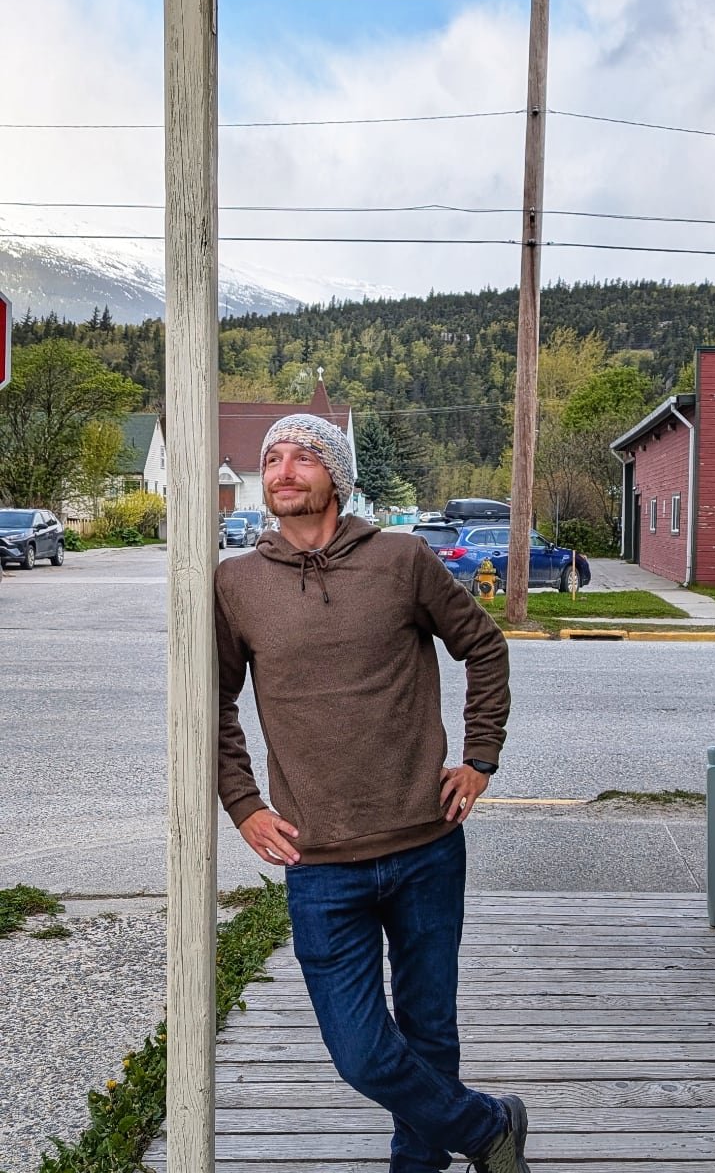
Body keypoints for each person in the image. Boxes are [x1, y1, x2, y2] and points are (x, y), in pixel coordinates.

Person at [215, 412, 530, 1173]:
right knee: (361, 1054)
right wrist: (244, 802)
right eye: (273, 458)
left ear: (336, 477)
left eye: (303, 457)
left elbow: (482, 647)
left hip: (426, 843)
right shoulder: (235, 583)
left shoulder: (401, 560)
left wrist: (480, 757)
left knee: (429, 1033)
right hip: (319, 860)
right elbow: (211, 703)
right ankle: (489, 1127)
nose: (284, 470)